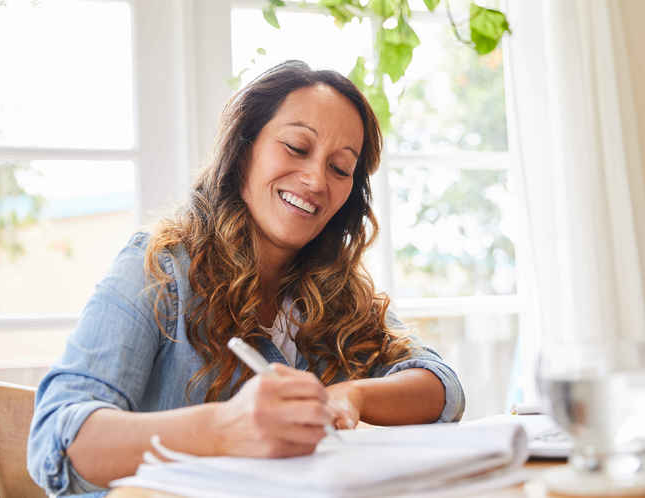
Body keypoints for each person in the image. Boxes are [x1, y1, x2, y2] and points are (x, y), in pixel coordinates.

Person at [27, 60, 464, 496]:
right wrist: (223, 429)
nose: (315, 179)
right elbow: (58, 441)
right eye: (296, 147)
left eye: (340, 168)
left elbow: (441, 386)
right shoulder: (161, 267)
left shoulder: (338, 295)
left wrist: (354, 395)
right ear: (243, 150)